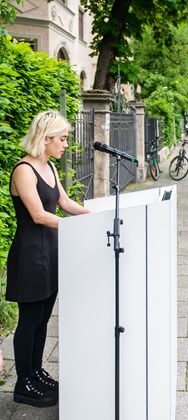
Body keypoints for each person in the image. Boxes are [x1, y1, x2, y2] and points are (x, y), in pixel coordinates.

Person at [6, 111, 91, 407]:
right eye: (62, 138)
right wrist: (78, 225)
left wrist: (97, 216)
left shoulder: (50, 168)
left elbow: (65, 203)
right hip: (30, 254)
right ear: (45, 139)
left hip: (51, 252)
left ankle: (37, 371)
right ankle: (23, 382)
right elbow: (39, 215)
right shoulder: (24, 170)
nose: (66, 144)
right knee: (29, 320)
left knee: (43, 319)